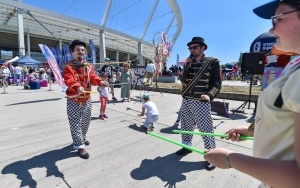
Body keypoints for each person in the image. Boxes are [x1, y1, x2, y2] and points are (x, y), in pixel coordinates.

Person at [204, 1, 300, 187]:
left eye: (277, 19)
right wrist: (252, 131)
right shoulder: (294, 64)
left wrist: (230, 159)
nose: (271, 30)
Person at [176, 36, 221, 171]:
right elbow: (182, 80)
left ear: (203, 48)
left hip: (201, 101)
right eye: (190, 48)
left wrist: (209, 95)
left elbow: (216, 83)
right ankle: (187, 146)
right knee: (186, 125)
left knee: (206, 128)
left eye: (195, 47)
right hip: (187, 99)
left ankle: (212, 155)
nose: (192, 50)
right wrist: (187, 67)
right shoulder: (189, 62)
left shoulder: (213, 62)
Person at [63, 40, 108, 159]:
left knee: (86, 121)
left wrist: (100, 82)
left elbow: (93, 77)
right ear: (72, 52)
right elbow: (69, 79)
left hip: (87, 98)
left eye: (82, 50)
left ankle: (82, 138)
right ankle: (80, 146)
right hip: (74, 99)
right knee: (75, 123)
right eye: (78, 50)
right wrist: (77, 87)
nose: (81, 52)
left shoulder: (88, 66)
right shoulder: (68, 66)